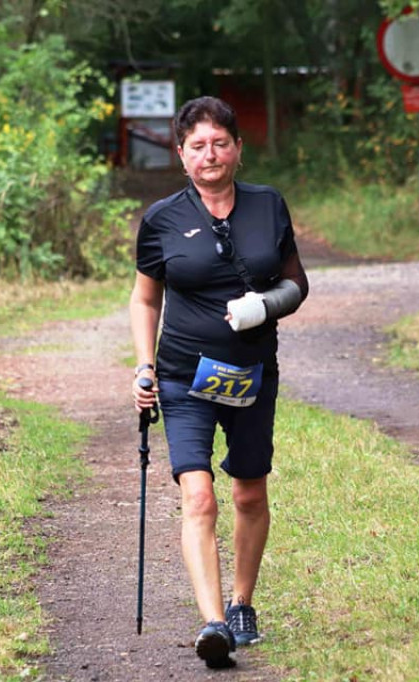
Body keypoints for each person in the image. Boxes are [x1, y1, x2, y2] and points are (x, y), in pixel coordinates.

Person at [130, 96, 309, 669]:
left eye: (220, 143)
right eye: (198, 146)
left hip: (252, 374)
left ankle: (241, 604)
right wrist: (144, 366)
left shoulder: (267, 205)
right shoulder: (161, 219)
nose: (210, 154)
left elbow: (297, 285)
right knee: (198, 493)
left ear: (237, 148)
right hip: (185, 377)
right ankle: (212, 624)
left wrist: (263, 307)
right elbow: (144, 297)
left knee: (249, 491)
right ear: (182, 156)